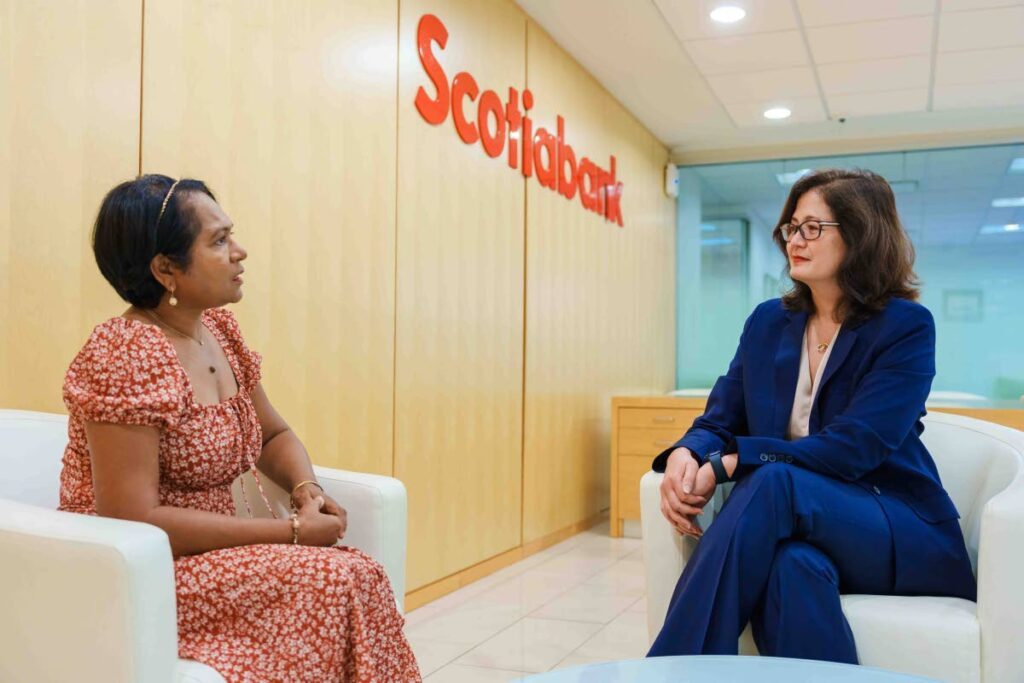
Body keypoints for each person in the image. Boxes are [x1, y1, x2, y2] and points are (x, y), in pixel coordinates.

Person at [59, 175, 421, 682]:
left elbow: (272, 435)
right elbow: (132, 516)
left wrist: (305, 489)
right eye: (219, 241)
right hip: (149, 569)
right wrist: (292, 533)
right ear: (166, 269)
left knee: (356, 573)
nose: (240, 252)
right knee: (337, 579)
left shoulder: (219, 332)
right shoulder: (127, 352)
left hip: (218, 552)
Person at [647, 169, 976, 663]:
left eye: (812, 228)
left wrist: (734, 463)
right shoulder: (767, 323)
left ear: (861, 233)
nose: (794, 241)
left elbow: (856, 445)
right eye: (790, 228)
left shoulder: (905, 327)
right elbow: (721, 416)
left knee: (773, 480)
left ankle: (672, 673)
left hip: (893, 526)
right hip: (799, 526)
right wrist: (689, 453)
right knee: (790, 567)